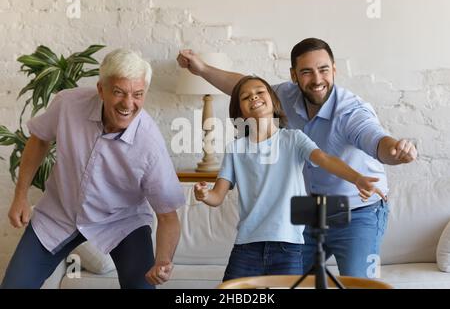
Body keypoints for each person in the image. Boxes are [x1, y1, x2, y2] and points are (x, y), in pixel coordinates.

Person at [178, 38, 418, 278]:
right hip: (306, 212)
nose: (316, 80)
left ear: (334, 69)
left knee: (359, 283)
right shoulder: (283, 97)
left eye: (324, 70)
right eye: (306, 72)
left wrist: (397, 151)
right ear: (294, 75)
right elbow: (244, 87)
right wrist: (202, 69)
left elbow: (375, 140)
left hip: (356, 210)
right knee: (280, 281)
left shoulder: (351, 110)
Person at [1, 49, 185, 289]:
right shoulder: (68, 103)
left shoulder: (150, 144)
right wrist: (21, 196)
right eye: (119, 92)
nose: (128, 103)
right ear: (101, 89)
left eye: (138, 94)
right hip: (59, 213)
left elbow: (168, 215)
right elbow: (40, 139)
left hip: (121, 221)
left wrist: (163, 262)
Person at [193, 75, 386, 281]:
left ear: (273, 100)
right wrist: (204, 194)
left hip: (289, 246)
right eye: (245, 96)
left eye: (260, 92)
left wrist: (357, 178)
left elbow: (325, 159)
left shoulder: (293, 139)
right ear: (239, 110)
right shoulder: (235, 149)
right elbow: (217, 197)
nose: (254, 97)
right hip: (246, 246)